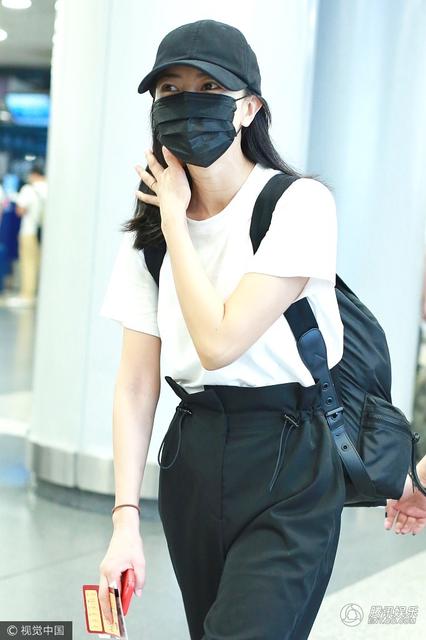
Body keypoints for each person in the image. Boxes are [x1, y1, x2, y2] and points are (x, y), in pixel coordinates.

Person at [97, 18, 404, 640]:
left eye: (210, 87)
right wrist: (125, 518)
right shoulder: (149, 235)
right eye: (169, 90)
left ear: (248, 109)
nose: (187, 102)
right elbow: (135, 385)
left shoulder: (298, 204)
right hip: (194, 454)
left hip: (292, 456)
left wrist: (177, 223)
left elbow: (219, 342)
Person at [7, 163, 47, 306]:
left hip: (29, 231)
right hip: (45, 233)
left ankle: (27, 295)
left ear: (33, 174)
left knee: (28, 263)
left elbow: (20, 210)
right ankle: (40, 294)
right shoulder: (50, 188)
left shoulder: (29, 189)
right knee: (41, 264)